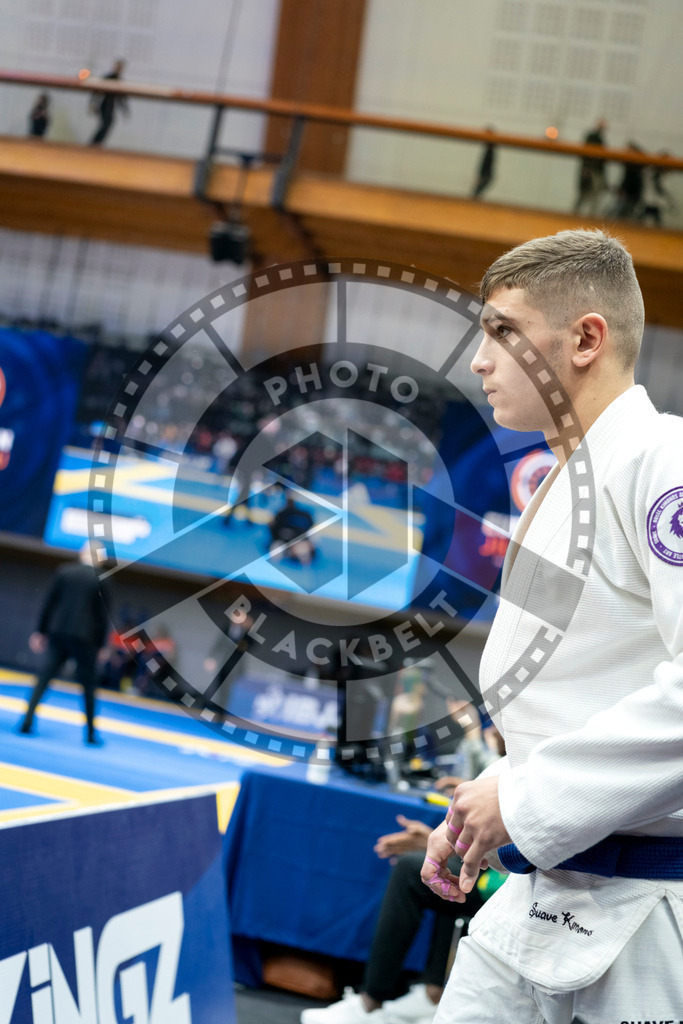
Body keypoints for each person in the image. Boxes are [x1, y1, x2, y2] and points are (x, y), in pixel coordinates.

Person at [421, 229, 683, 1022]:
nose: (478, 358)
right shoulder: (564, 481)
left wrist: (527, 797)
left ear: (584, 339)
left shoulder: (660, 461)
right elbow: (575, 690)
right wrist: (482, 816)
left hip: (643, 908)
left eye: (502, 330)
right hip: (543, 885)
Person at [301, 706, 503, 1024]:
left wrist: (475, 734)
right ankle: (433, 992)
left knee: (417, 870)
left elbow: (505, 841)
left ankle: (371, 1004)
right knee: (440, 867)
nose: (496, 733)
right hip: (502, 880)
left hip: (511, 891)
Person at [18, 543, 110, 744]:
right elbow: (102, 616)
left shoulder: (64, 572)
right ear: (100, 558)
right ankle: (91, 733)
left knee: (44, 678)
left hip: (59, 633)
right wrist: (102, 645)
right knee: (88, 685)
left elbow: (49, 603)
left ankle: (26, 721)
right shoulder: (101, 578)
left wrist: (40, 631)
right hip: (86, 639)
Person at [89, 59, 128, 146]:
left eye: (120, 67)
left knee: (108, 123)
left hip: (111, 106)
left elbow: (121, 98)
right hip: (104, 104)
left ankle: (97, 143)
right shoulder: (108, 77)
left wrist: (125, 110)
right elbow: (97, 91)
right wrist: (92, 104)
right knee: (105, 124)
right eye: (117, 66)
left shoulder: (119, 80)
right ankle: (95, 143)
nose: (118, 68)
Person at [573, 119, 608, 215]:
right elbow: (587, 154)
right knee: (585, 193)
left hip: (596, 170)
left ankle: (590, 214)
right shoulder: (593, 137)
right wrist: (586, 168)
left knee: (594, 194)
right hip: (591, 169)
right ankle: (576, 212)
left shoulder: (600, 139)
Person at [471, 129, 496, 200]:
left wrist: (481, 176)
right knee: (476, 192)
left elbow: (486, 164)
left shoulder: (490, 148)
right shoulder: (489, 148)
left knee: (476, 192)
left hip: (486, 174)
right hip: (486, 174)